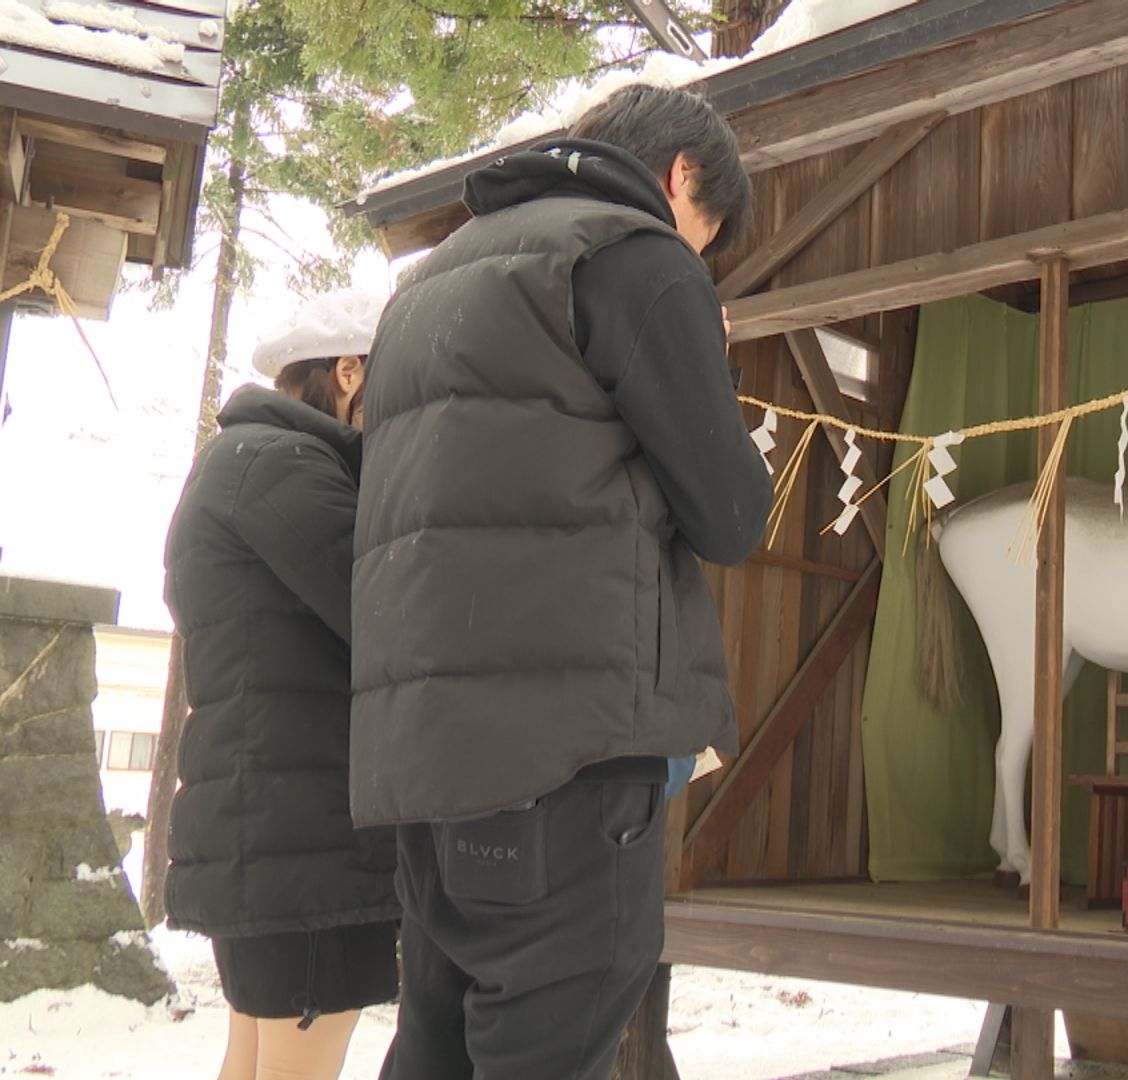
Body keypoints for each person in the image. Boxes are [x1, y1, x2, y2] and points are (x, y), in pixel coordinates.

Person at [351, 84, 772, 1079]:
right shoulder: (634, 256)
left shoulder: (427, 283)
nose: (696, 258)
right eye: (705, 238)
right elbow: (732, 514)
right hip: (565, 759)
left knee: (437, 1047)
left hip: (425, 765)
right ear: (680, 177)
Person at [162, 290, 398, 1080]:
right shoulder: (280, 465)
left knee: (256, 1063)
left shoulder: (242, 460)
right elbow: (386, 611)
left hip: (267, 830)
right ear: (349, 370)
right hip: (303, 840)